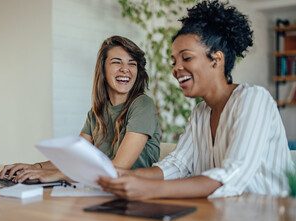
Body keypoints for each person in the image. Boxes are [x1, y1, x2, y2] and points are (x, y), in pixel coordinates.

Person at [98, 0, 293, 200]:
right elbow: (177, 164)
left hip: (271, 220)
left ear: (216, 59)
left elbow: (232, 174)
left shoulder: (253, 99)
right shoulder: (201, 112)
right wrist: (125, 176)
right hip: (224, 216)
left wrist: (149, 189)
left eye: (187, 58)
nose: (176, 69)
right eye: (174, 61)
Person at [0, 36, 160, 183]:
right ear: (102, 69)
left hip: (135, 195)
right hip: (102, 190)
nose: (126, 69)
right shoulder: (97, 112)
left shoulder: (143, 105)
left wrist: (59, 174)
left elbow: (118, 168)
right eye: (117, 62)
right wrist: (35, 167)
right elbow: (73, 159)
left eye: (132, 64)